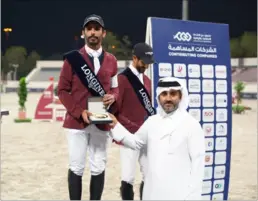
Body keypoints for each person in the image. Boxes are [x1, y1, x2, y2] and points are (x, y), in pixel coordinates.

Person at [108, 77, 205, 200]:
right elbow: (135, 143)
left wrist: (193, 197)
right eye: (164, 94)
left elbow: (198, 165)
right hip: (153, 192)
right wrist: (115, 124)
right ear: (159, 97)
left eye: (173, 94)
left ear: (180, 97)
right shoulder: (151, 122)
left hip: (180, 193)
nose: (168, 98)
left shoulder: (191, 125)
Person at [57, 14, 119, 200]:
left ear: (103, 33)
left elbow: (115, 89)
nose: (93, 32)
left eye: (96, 29)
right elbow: (62, 90)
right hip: (77, 121)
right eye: (89, 29)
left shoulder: (112, 60)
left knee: (98, 165)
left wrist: (113, 97)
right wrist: (79, 112)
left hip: (101, 120)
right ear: (83, 33)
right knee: (76, 166)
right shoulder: (72, 59)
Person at [113, 43, 156, 200]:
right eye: (144, 61)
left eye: (149, 62)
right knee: (128, 177)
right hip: (129, 136)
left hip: (146, 136)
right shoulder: (121, 79)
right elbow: (115, 112)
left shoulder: (148, 81)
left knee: (148, 174)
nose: (146, 65)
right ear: (134, 58)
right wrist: (134, 128)